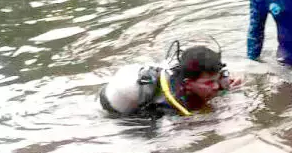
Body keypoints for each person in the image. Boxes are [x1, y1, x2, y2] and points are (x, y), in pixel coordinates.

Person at [99, 40, 240, 118]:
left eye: (217, 79)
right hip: (124, 113)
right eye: (209, 83)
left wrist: (228, 87)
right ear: (188, 84)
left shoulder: (193, 75)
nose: (215, 86)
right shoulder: (170, 106)